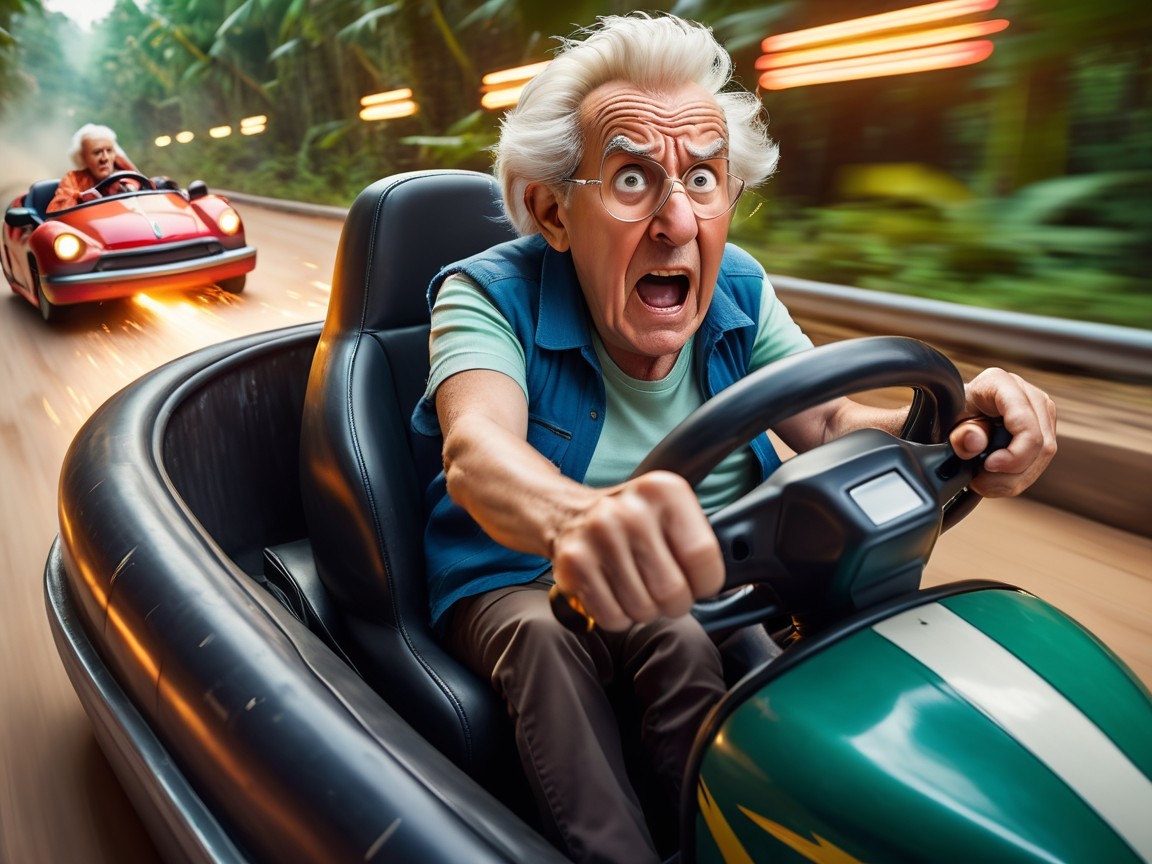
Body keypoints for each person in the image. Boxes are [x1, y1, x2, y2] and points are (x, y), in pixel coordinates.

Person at [411, 13, 1057, 864]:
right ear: (552, 211)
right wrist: (577, 520)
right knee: (543, 642)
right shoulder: (485, 296)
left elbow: (830, 421)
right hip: (521, 572)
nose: (679, 221)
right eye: (634, 178)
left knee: (696, 639)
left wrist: (963, 428)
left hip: (705, 572)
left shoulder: (739, 290)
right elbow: (477, 451)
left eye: (704, 179)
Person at [47, 123, 142, 212]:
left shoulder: (126, 176)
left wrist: (129, 188)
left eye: (109, 151)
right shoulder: (73, 179)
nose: (105, 158)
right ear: (83, 158)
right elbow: (58, 211)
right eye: (97, 152)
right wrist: (80, 198)